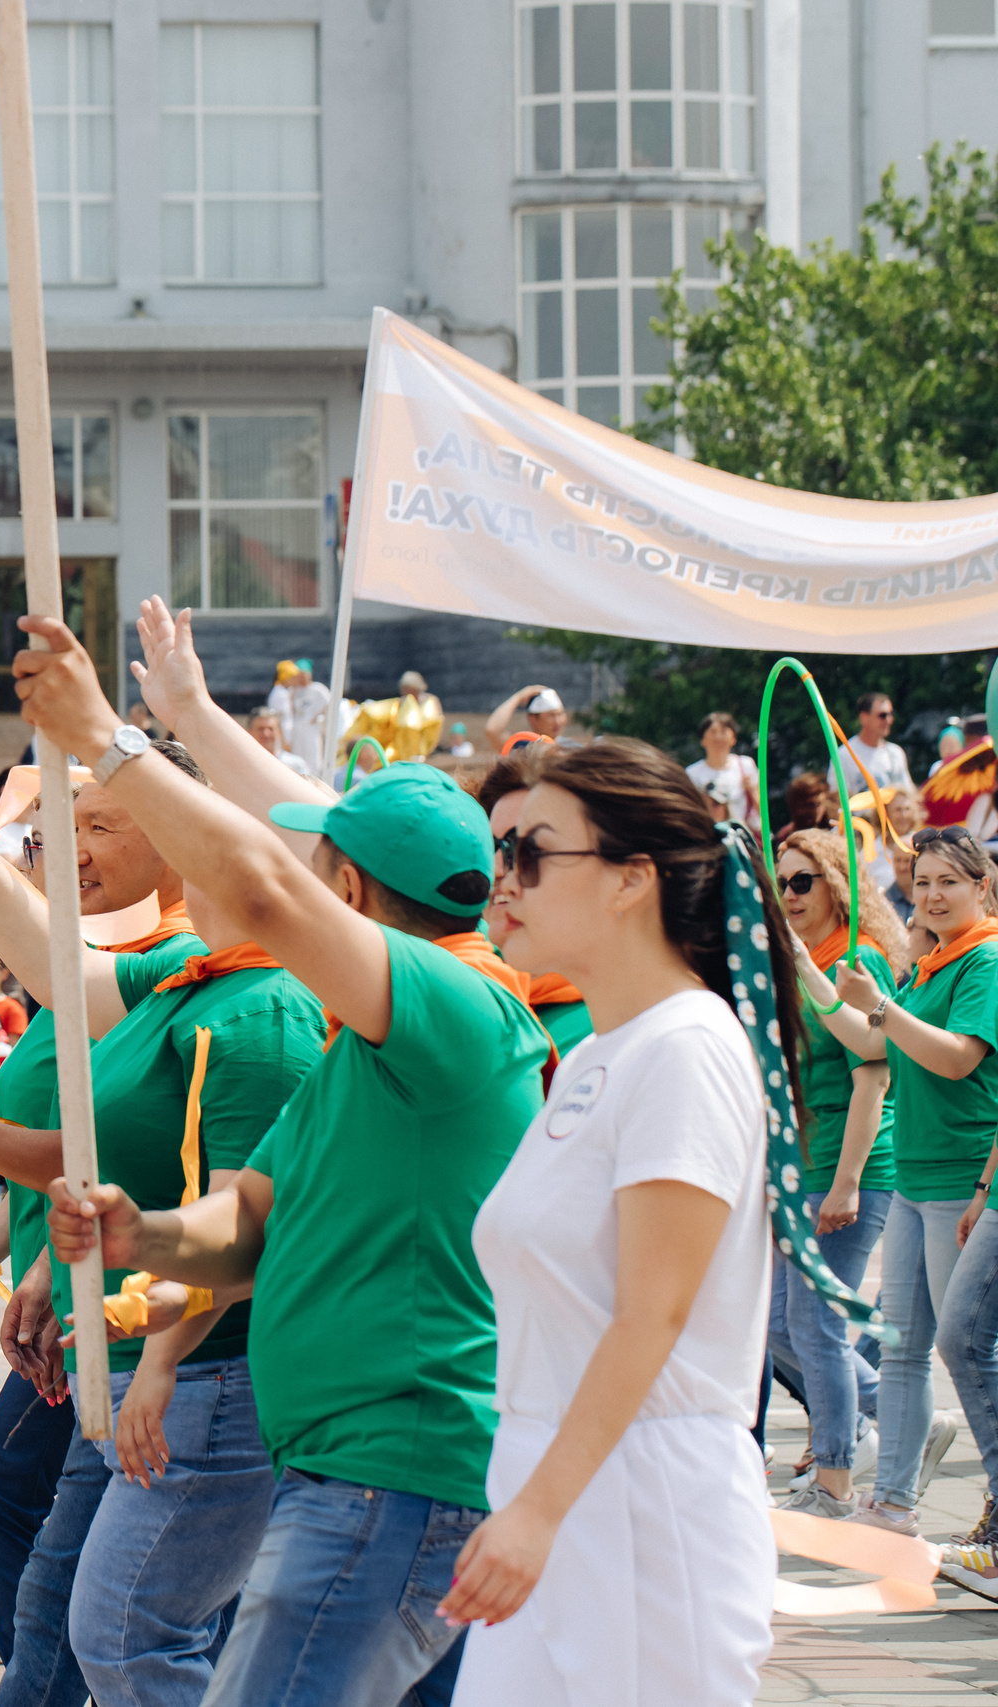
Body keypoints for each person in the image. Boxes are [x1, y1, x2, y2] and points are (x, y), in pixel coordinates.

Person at [24, 595, 552, 1706]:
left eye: (317, 870)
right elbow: (247, 1225)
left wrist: (106, 742)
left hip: (391, 1477)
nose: (284, 883)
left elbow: (262, 879)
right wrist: (141, 1231)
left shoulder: (455, 1004)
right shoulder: (361, 1052)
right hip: (354, 1472)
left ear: (349, 895)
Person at [0, 730, 325, 1707]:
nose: (69, 848)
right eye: (58, 828)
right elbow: (48, 970)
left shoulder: (259, 1012)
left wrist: (155, 1348)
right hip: (141, 1352)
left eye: (103, 824)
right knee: (76, 1609)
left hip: (211, 1377)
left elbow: (238, 1235)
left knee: (133, 1637)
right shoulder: (186, 981)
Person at [432, 741, 795, 1703]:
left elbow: (653, 1314)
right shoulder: (604, 1047)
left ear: (633, 879)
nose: (501, 880)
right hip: (562, 1476)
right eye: (499, 850)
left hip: (641, 1497)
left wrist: (537, 1514)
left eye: (533, 854)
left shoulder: (685, 1048)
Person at [811, 826, 997, 1538]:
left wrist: (883, 1007)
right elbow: (870, 1043)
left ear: (982, 885)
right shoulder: (932, 964)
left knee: (967, 1348)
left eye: (949, 881)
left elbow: (954, 1059)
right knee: (901, 1348)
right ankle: (892, 1502)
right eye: (922, 882)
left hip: (962, 1179)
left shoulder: (983, 959)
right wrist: (811, 969)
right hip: (919, 1179)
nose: (932, 895)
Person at [766, 829, 904, 1519]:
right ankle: (893, 1417)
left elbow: (873, 1074)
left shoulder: (857, 959)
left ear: (837, 882)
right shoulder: (797, 958)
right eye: (781, 881)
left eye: (802, 880)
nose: (789, 893)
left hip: (851, 1165)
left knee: (812, 1321)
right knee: (780, 1322)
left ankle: (837, 1479)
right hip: (803, 1166)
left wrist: (847, 1180)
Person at [476, 746, 594, 1052]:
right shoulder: (468, 988)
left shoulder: (624, 1024)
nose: (497, 868)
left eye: (525, 848)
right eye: (490, 845)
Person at [837, 691, 917, 801]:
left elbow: (909, 795)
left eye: (891, 714)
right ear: (864, 718)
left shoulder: (895, 753)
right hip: (861, 818)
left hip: (890, 818)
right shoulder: (844, 755)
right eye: (882, 715)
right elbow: (837, 800)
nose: (889, 720)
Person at [685, 712, 760, 825]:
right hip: (710, 835)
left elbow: (762, 808)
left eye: (724, 731)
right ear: (702, 739)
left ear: (733, 738)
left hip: (744, 834)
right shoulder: (692, 773)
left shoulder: (746, 765)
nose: (718, 737)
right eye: (713, 731)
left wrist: (752, 790)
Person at [486, 684, 569, 748]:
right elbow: (493, 730)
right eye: (551, 715)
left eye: (560, 714)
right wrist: (519, 696)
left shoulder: (571, 749)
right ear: (533, 719)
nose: (558, 721)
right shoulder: (522, 749)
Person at [248, 709, 314, 779]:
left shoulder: (296, 764)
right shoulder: (244, 762)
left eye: (271, 729)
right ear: (249, 732)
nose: (266, 734)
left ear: (279, 732)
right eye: (261, 729)